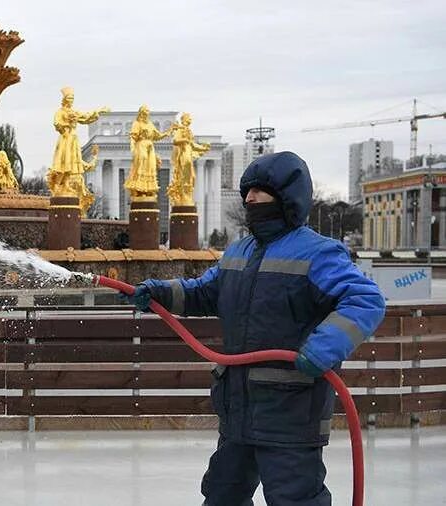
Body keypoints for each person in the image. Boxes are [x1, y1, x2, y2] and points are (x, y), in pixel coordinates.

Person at [123, 151, 385, 505]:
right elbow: (204, 293)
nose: (249, 199)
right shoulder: (238, 253)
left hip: (290, 415)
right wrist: (160, 292)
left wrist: (322, 348)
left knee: (296, 499)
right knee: (221, 495)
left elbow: (365, 301)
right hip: (237, 411)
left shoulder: (318, 253)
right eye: (247, 191)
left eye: (259, 191)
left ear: (287, 197)